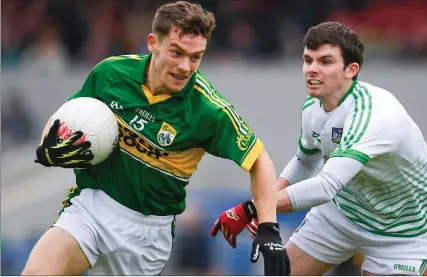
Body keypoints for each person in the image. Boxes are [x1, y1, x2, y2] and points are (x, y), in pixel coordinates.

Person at [23, 1, 290, 275]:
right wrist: (48, 146)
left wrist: (268, 226)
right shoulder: (110, 74)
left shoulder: (209, 111)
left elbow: (260, 161)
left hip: (147, 235)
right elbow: (64, 119)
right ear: (153, 43)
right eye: (177, 52)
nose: (185, 66)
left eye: (195, 57)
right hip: (92, 206)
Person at [211, 22, 427, 276]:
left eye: (325, 61)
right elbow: (305, 162)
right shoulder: (313, 107)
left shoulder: (375, 115)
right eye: (308, 60)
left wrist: (252, 208)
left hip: (403, 231)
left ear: (351, 70)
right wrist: (267, 205)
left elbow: (325, 186)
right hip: (342, 213)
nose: (312, 69)